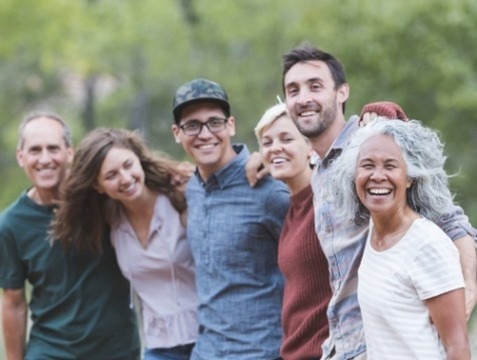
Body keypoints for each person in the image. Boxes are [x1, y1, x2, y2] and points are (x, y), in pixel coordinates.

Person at [247, 44, 476, 360]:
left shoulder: (373, 147)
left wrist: (467, 293)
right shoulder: (320, 170)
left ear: (342, 92)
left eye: (315, 86)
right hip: (341, 347)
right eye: (293, 90)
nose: (303, 98)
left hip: (385, 346)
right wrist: (259, 158)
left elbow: (450, 221)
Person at [0, 114, 140, 360]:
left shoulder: (101, 198)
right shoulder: (11, 225)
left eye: (53, 148)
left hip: (116, 352)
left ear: (69, 153)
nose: (45, 159)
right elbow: (13, 302)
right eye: (35, 150)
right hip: (50, 352)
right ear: (21, 157)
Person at [51, 128, 198, 360]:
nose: (126, 178)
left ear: (138, 160)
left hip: (207, 338)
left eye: (128, 165)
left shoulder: (182, 194)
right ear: (98, 186)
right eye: (111, 175)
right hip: (159, 346)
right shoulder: (110, 219)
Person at [330, 118, 470, 359]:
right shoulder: (373, 232)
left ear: (409, 177)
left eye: (390, 166)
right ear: (354, 176)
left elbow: (457, 346)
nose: (377, 176)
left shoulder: (427, 244)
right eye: (367, 165)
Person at [171, 78, 290, 359]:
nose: (204, 133)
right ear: (177, 133)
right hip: (205, 351)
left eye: (214, 122)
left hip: (261, 351)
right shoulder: (191, 189)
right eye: (192, 125)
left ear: (231, 125)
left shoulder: (268, 188)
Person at [255, 102, 332, 360]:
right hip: (292, 352)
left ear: (310, 146)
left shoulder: (330, 200)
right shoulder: (291, 208)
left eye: (286, 139)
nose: (275, 147)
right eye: (267, 143)